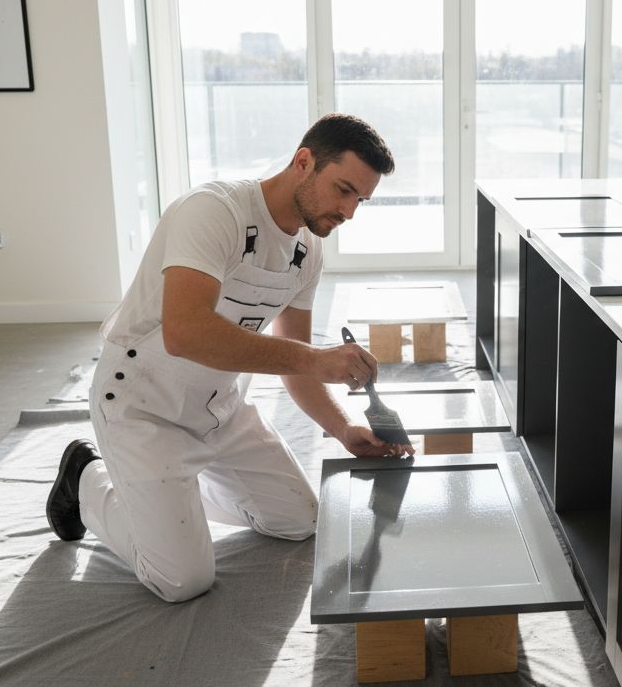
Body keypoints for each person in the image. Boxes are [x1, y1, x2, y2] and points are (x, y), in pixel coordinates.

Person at [45, 113, 412, 603]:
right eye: (343, 189)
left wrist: (344, 429)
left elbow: (294, 363)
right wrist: (317, 359)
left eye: (360, 200)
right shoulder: (213, 212)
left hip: (220, 407)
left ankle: (166, 494)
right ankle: (87, 475)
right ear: (303, 162)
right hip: (142, 404)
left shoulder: (308, 250)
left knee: (301, 521)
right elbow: (184, 333)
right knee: (181, 581)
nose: (349, 211)